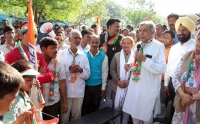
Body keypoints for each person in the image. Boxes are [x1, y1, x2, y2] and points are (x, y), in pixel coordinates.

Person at [123, 21, 166, 124]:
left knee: (146, 117)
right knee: (134, 115)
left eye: (144, 31)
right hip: (135, 86)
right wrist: (129, 64)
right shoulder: (138, 44)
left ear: (152, 32)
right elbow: (135, 61)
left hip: (147, 88)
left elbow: (162, 69)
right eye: (140, 31)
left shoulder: (159, 46)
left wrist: (145, 59)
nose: (141, 33)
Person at [164, 17, 196, 113]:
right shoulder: (174, 48)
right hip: (173, 84)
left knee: (187, 110)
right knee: (173, 109)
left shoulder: (195, 46)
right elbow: (168, 66)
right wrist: (166, 84)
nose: (181, 32)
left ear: (190, 31)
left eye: (184, 30)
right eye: (179, 30)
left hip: (189, 84)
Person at [59, 30, 90, 123]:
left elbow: (87, 75)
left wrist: (80, 70)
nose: (77, 40)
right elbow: (58, 73)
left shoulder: (84, 56)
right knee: (64, 118)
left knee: (76, 118)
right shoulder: (62, 54)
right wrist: (69, 69)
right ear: (69, 39)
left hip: (78, 92)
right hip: (66, 92)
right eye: (75, 38)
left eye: (79, 38)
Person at [172, 30, 200, 124]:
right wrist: (183, 95)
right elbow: (175, 76)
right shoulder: (188, 55)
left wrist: (191, 97)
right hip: (182, 103)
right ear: (195, 40)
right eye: (199, 39)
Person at [40, 37, 68, 120]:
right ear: (44, 49)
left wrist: (65, 102)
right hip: (38, 102)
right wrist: (39, 75)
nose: (56, 50)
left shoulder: (59, 63)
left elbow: (62, 82)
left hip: (54, 102)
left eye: (56, 47)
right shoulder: (35, 63)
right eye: (52, 48)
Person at [110, 36, 135, 124]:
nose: (126, 45)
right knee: (116, 107)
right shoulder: (117, 55)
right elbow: (112, 69)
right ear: (121, 44)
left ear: (132, 45)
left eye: (128, 43)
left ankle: (125, 122)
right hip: (117, 86)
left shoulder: (136, 56)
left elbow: (138, 71)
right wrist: (118, 81)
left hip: (130, 86)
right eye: (124, 43)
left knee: (127, 107)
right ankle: (117, 122)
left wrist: (129, 81)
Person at [82, 35, 108, 116]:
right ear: (89, 42)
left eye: (96, 42)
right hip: (85, 86)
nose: (94, 44)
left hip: (97, 86)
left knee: (95, 108)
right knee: (84, 108)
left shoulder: (103, 56)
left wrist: (103, 88)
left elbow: (105, 73)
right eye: (92, 42)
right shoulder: (83, 55)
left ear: (99, 43)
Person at [99, 18, 122, 107]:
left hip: (112, 76)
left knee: (110, 99)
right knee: (100, 98)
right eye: (117, 26)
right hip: (99, 74)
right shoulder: (101, 37)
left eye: (119, 27)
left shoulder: (121, 40)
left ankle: (109, 119)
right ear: (109, 27)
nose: (118, 29)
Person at [161, 30, 174, 105]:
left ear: (172, 39)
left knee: (164, 102)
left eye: (167, 38)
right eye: (163, 37)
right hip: (157, 78)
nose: (164, 39)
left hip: (166, 80)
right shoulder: (159, 48)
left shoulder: (173, 49)